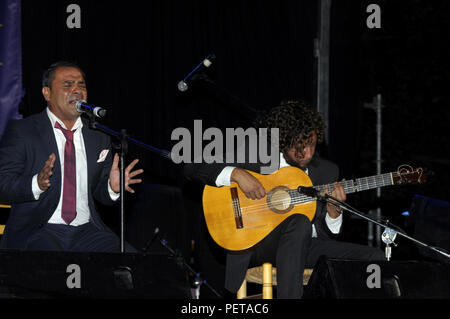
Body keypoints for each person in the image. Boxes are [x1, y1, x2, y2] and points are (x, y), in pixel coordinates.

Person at [184, 100, 385, 298]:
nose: (307, 153)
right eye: (299, 146)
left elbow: (322, 236)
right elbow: (192, 166)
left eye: (312, 144)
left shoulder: (326, 171)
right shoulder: (257, 154)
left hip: (300, 245)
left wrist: (334, 213)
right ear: (283, 141)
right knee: (300, 223)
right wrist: (236, 174)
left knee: (373, 257)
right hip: (254, 245)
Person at [0, 61, 143, 252]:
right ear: (47, 93)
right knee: (53, 271)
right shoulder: (23, 131)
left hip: (86, 232)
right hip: (39, 230)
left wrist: (111, 188)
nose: (77, 90)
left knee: (132, 264)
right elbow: (3, 184)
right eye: (68, 85)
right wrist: (36, 183)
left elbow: (101, 193)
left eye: (81, 85)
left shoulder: (99, 137)